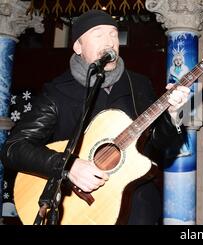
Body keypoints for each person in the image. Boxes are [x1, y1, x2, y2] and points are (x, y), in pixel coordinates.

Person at [1, 10, 190, 225]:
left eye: (113, 34)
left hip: (137, 207)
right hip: (76, 208)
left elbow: (163, 143)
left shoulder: (138, 84)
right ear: (78, 47)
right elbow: (13, 148)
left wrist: (173, 115)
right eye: (98, 34)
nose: (109, 41)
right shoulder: (56, 93)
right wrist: (68, 165)